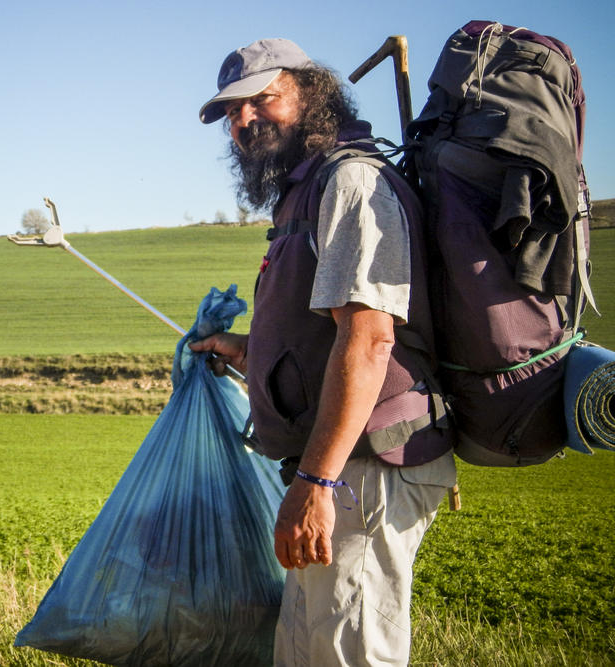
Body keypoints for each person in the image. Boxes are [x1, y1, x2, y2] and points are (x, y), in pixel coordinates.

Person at [189, 38, 458, 666]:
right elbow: (320, 341)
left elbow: (368, 340)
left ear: (311, 93)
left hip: (365, 467)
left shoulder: (352, 182)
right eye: (232, 113)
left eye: (262, 100)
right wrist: (248, 350)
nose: (245, 121)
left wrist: (315, 482)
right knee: (307, 653)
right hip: (340, 466)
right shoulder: (304, 194)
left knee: (349, 654)